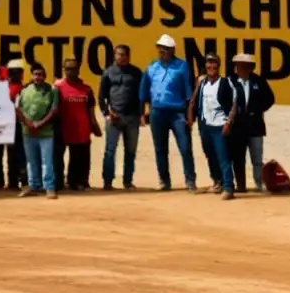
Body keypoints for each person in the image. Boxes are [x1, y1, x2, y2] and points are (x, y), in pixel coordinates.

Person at [140, 35, 197, 192]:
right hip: (157, 112)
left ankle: (190, 180)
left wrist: (189, 114)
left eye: (166, 49)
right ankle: (164, 181)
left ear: (173, 50)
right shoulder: (152, 67)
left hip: (178, 113)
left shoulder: (182, 66)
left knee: (185, 147)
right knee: (160, 148)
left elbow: (188, 92)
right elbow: (143, 91)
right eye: (160, 48)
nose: (163, 51)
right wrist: (142, 112)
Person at [188, 54, 238, 200]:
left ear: (218, 66)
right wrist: (192, 117)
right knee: (210, 155)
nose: (211, 67)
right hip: (205, 125)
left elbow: (234, 104)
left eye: (214, 64)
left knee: (223, 157)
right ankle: (218, 182)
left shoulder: (225, 82)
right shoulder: (202, 83)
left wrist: (228, 123)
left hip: (219, 125)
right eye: (209, 64)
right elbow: (195, 101)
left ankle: (229, 187)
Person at [228, 54, 275, 194]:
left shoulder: (259, 81)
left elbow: (270, 99)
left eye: (244, 65)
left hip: (255, 125)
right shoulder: (230, 81)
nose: (241, 68)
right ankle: (241, 185)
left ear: (250, 67)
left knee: (256, 157)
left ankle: (259, 183)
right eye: (238, 65)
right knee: (238, 157)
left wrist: (257, 109)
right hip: (237, 126)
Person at [53, 58, 101, 191]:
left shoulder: (86, 89)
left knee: (80, 159)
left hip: (81, 129)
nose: (71, 71)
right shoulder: (57, 87)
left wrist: (95, 126)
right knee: (57, 159)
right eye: (68, 68)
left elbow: (91, 111)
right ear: (64, 70)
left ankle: (79, 182)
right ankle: (58, 183)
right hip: (62, 128)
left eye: (74, 68)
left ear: (78, 70)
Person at [100, 45, 143, 191]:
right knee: (110, 150)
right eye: (119, 54)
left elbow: (141, 95)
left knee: (130, 151)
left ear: (129, 56)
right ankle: (107, 182)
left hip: (132, 118)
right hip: (114, 118)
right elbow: (102, 96)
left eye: (124, 54)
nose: (122, 57)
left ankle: (128, 181)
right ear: (114, 55)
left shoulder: (136, 73)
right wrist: (107, 113)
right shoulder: (108, 72)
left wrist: (141, 114)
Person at [16, 64, 59, 199]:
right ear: (32, 75)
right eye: (35, 74)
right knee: (31, 161)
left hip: (46, 132)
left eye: (40, 74)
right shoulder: (25, 90)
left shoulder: (52, 90)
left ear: (44, 76)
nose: (37, 77)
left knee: (47, 161)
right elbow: (18, 108)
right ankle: (33, 185)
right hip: (28, 131)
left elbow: (54, 110)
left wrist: (40, 123)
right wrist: (27, 123)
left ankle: (49, 188)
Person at [4, 60, 28, 192]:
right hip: (8, 125)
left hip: (21, 124)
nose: (15, 74)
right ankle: (12, 181)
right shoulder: (2, 88)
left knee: (22, 154)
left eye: (17, 72)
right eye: (12, 72)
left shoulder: (25, 89)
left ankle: (23, 180)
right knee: (11, 153)